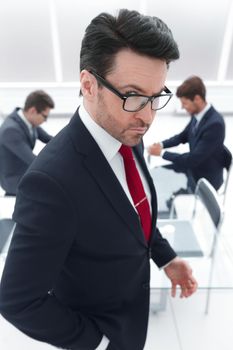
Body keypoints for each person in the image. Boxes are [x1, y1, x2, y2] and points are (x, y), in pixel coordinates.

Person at [0, 9, 197, 350]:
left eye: (156, 97)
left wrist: (164, 257)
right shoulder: (50, 183)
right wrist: (100, 342)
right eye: (133, 96)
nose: (147, 116)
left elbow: (134, 210)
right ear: (88, 84)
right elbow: (18, 301)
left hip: (133, 314)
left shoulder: (125, 129)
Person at [148, 76, 226, 197]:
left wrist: (161, 153)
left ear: (197, 99)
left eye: (184, 103)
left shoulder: (215, 125)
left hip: (203, 178)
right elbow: (182, 137)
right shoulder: (198, 114)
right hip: (193, 168)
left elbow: (192, 160)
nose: (182, 107)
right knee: (156, 173)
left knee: (160, 183)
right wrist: (161, 145)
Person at [0, 90, 55, 195]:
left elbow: (50, 139)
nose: (45, 121)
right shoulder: (11, 131)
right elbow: (33, 161)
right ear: (33, 111)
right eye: (44, 116)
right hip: (15, 182)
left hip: (26, 173)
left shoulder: (28, 122)